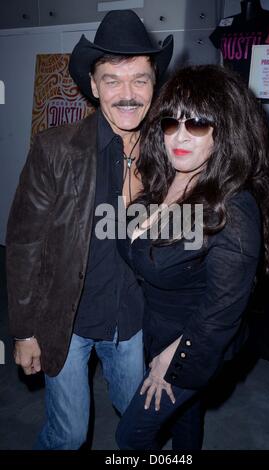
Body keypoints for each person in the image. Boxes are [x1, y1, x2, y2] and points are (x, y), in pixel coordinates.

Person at [5, 10, 173, 449]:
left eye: (139, 79)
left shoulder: (171, 154)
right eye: (112, 80)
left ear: (154, 84)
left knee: (137, 422)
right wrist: (23, 332)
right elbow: (23, 244)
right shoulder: (55, 149)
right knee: (68, 434)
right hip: (68, 319)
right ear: (94, 86)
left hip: (133, 322)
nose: (128, 94)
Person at [115, 64, 269, 450]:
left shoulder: (233, 208)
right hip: (156, 331)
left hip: (194, 343)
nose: (180, 136)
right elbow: (133, 241)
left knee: (131, 435)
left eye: (199, 124)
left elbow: (223, 308)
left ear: (225, 132)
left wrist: (176, 359)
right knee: (185, 422)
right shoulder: (163, 181)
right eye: (172, 123)